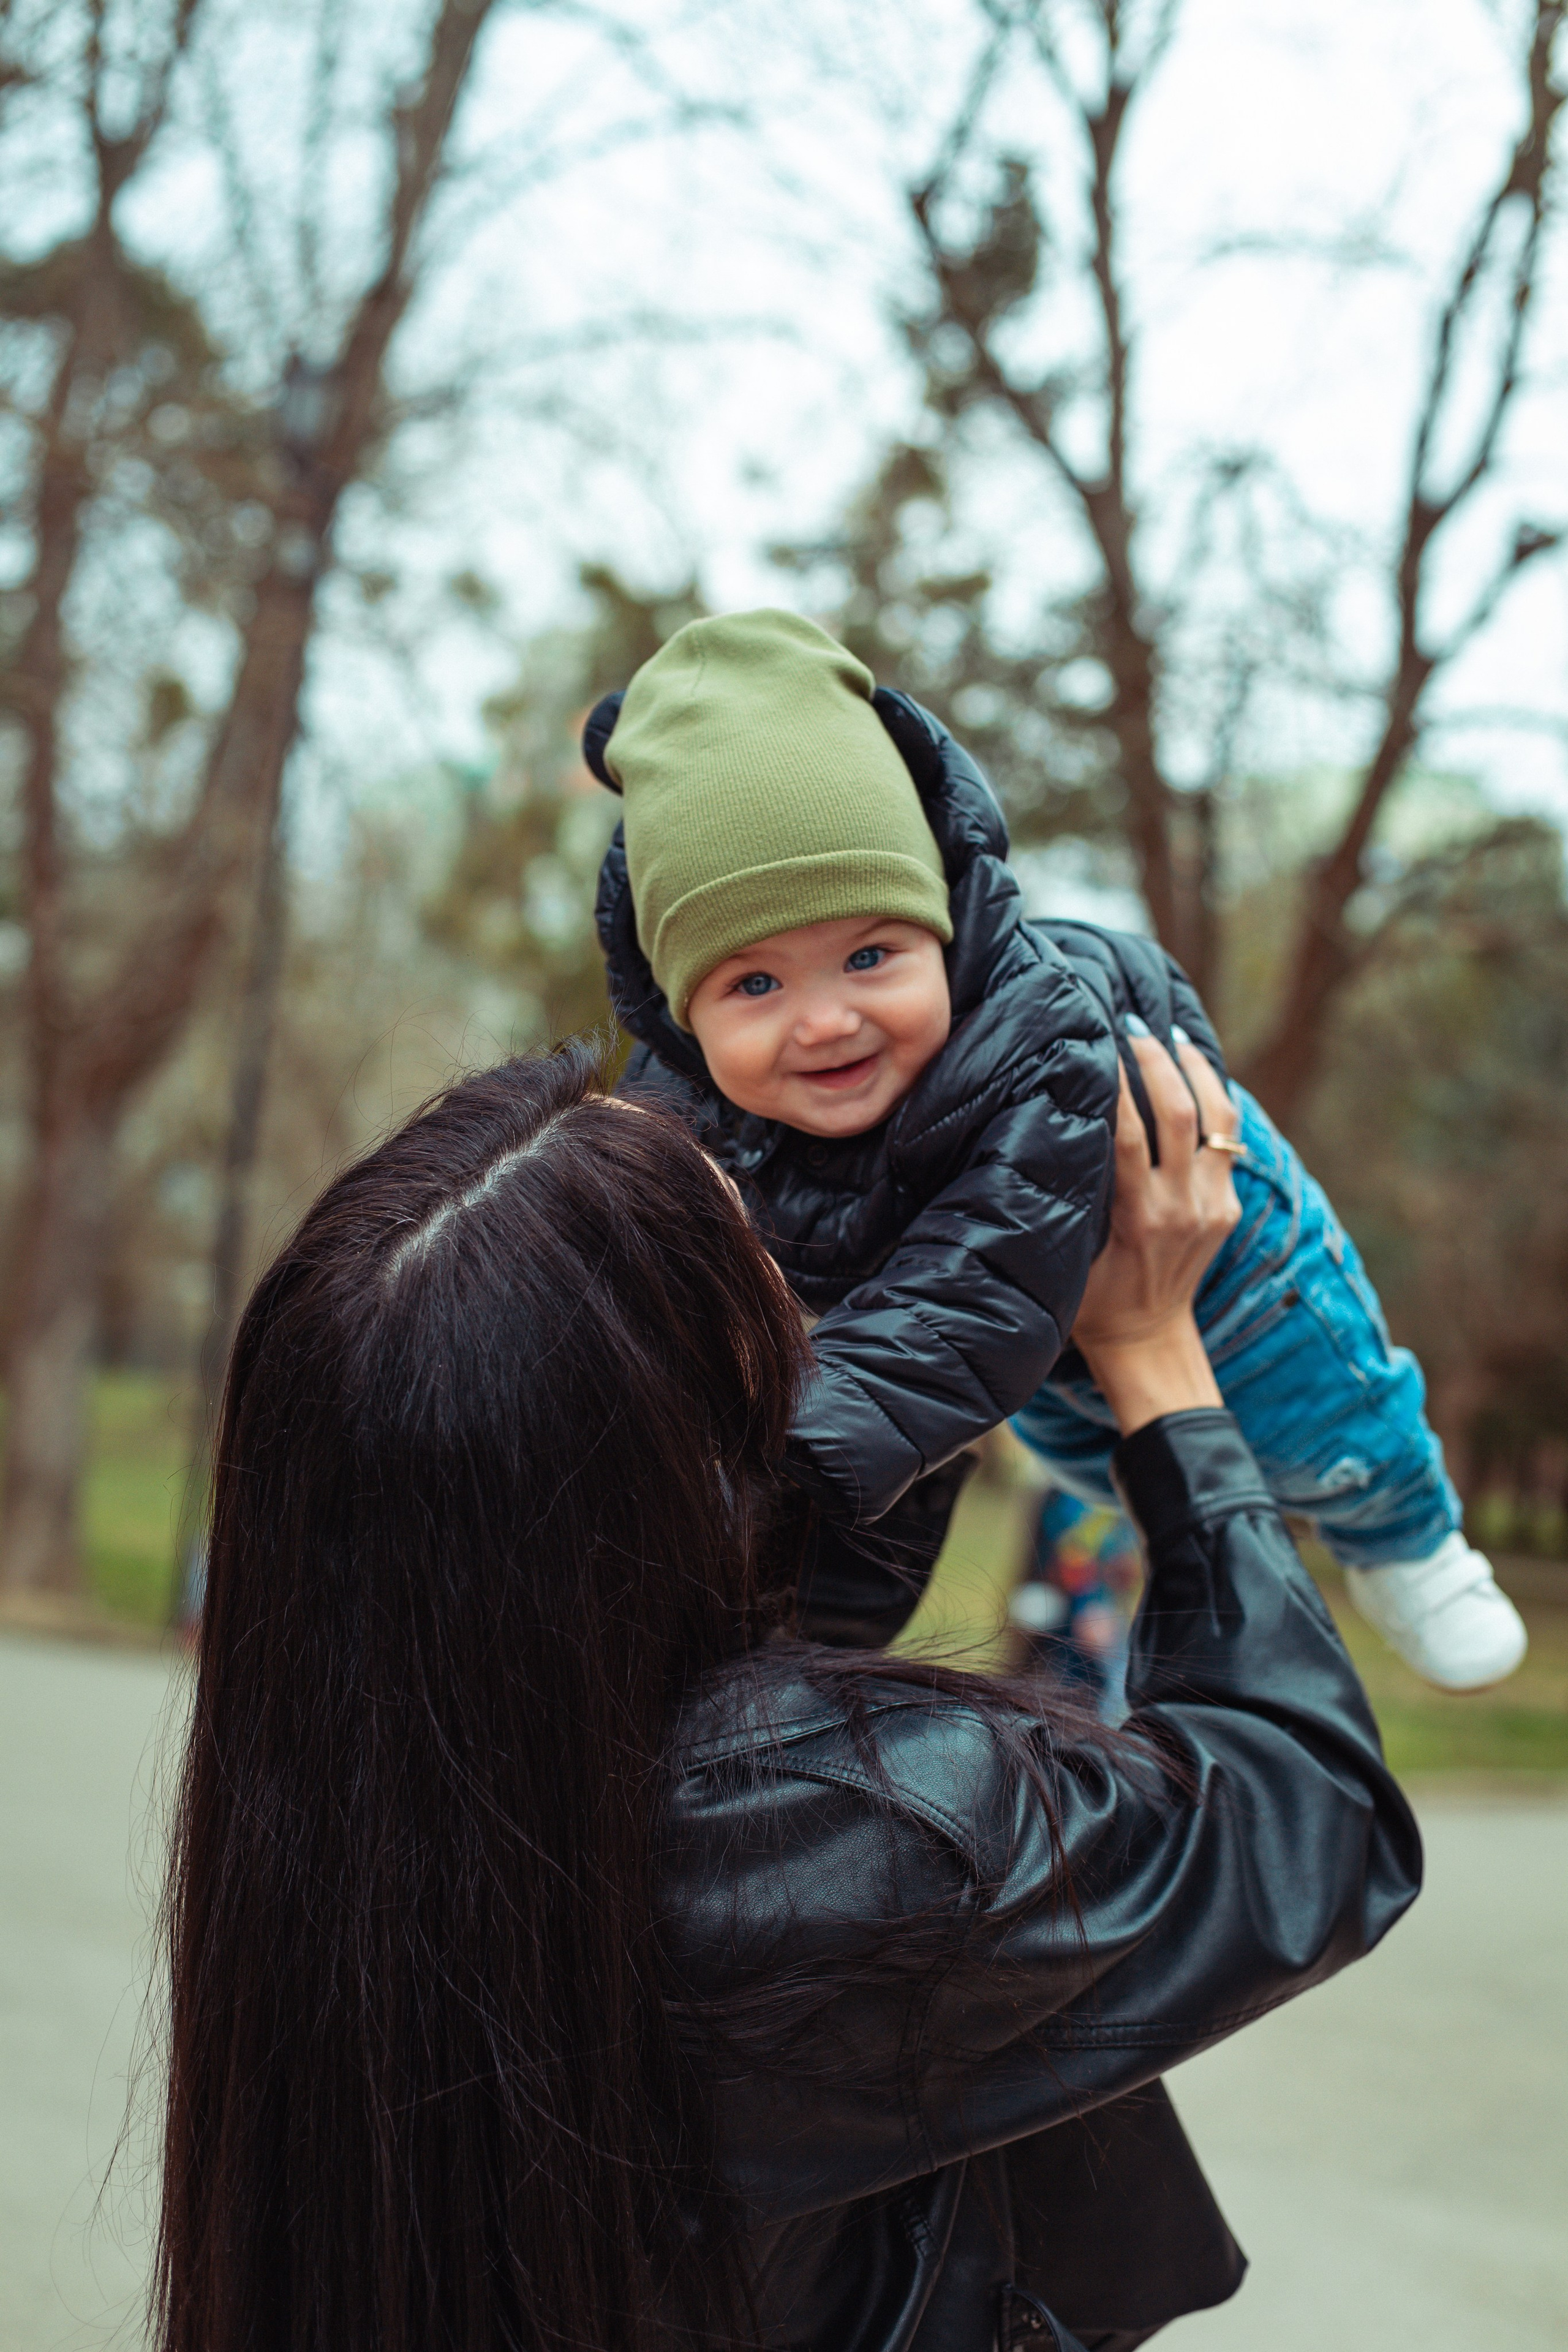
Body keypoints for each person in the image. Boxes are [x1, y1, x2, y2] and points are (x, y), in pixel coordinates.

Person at [157, 1026, 1420, 2352]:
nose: (788, 1277)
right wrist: (1157, 1351)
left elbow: (743, 1600)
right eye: (755, 1261)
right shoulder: (861, 1829)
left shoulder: (352, 1780)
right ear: (656, 1441)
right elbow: (1313, 1818)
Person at [587, 606, 1527, 1692]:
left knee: (1344, 1441)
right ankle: (811, 1640)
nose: (826, 1019)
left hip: (1251, 1305)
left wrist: (784, 1460)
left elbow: (968, 1301)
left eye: (872, 954)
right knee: (1038, 1465)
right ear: (680, 1013)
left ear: (947, 926)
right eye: (756, 983)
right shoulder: (699, 1106)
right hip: (1062, 1387)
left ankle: (1415, 1544)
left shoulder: (1034, 1049)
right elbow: (657, 1212)